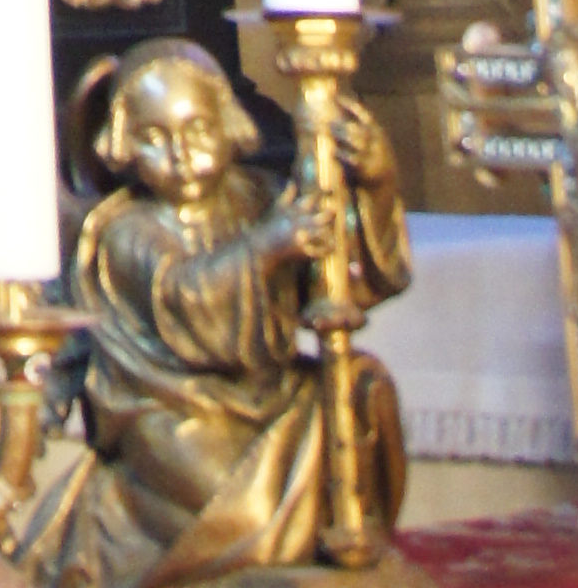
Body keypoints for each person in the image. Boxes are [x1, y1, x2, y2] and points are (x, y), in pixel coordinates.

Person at [22, 40, 408, 588]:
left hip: (270, 391)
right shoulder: (125, 229)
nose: (181, 154)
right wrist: (266, 248)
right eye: (155, 138)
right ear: (124, 143)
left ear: (228, 125)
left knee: (363, 387)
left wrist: (375, 182)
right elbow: (183, 294)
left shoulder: (259, 196)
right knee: (246, 507)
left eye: (198, 129)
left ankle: (348, 537)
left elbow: (337, 279)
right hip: (171, 410)